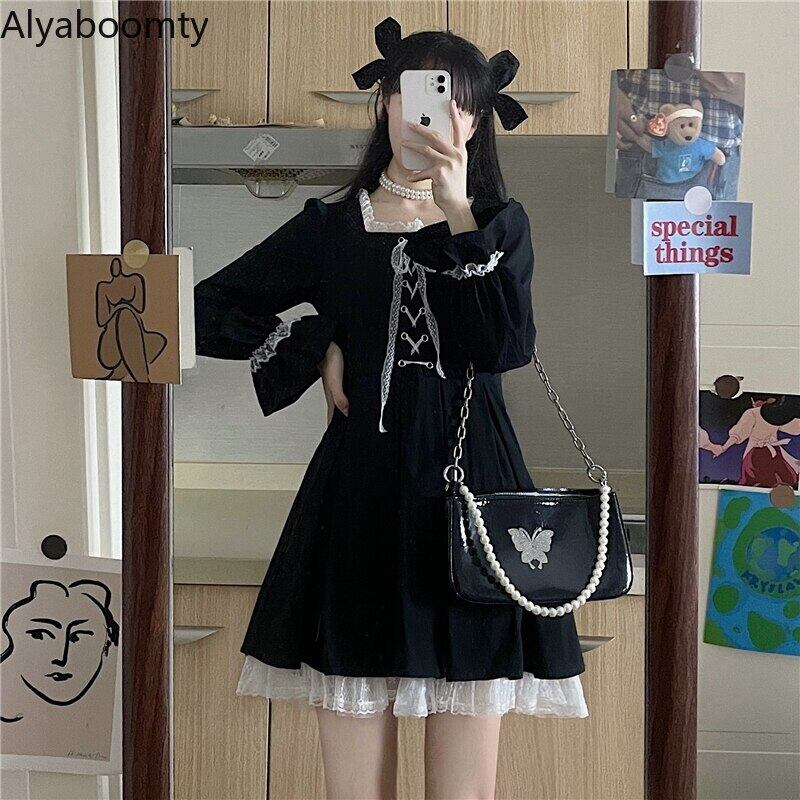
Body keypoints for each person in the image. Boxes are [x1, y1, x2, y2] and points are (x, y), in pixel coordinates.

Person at [195, 19, 587, 800]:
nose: (437, 116)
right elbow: (206, 306)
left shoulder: (499, 225)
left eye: (459, 103)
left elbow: (504, 347)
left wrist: (458, 213)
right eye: (419, 95)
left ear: (476, 121)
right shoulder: (330, 228)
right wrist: (316, 345)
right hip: (360, 494)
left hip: (474, 498)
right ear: (383, 103)